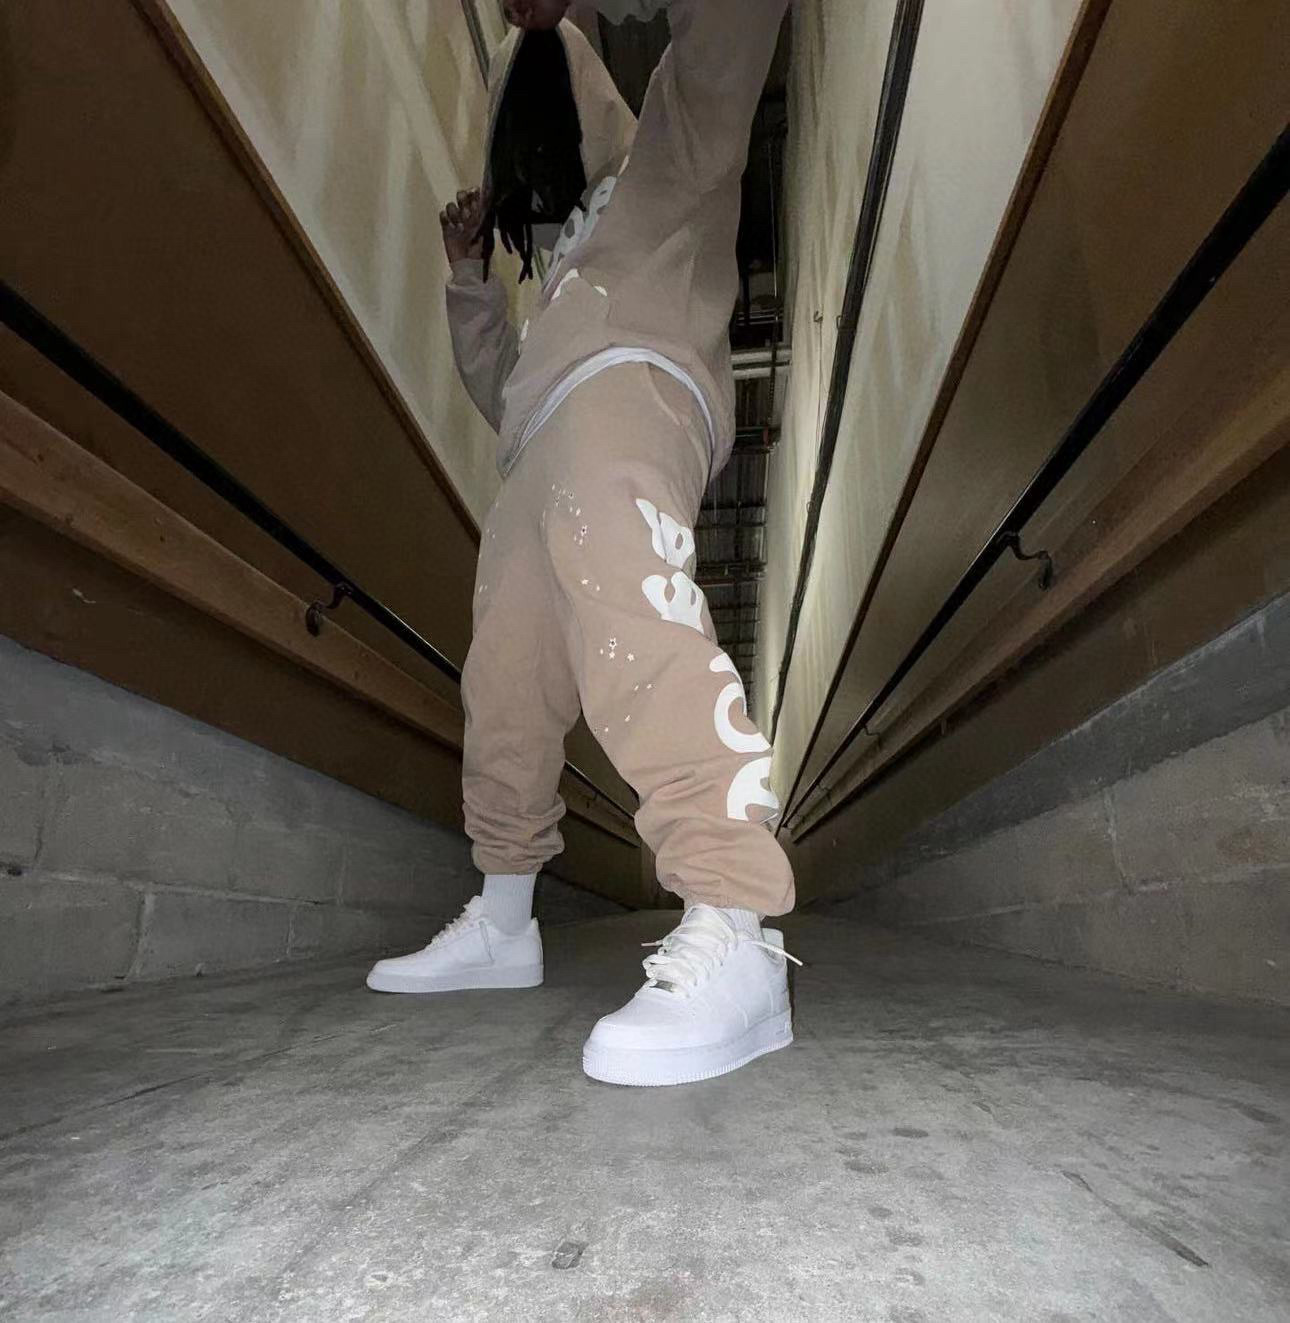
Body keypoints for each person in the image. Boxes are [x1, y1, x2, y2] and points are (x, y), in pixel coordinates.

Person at [368, 0, 797, 1088]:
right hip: (540, 431)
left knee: (630, 617)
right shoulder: (559, 264)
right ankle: (506, 916)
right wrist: (472, 277)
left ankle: (736, 917)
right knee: (506, 681)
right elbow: (499, 384)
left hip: (637, 382)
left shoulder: (675, 148)